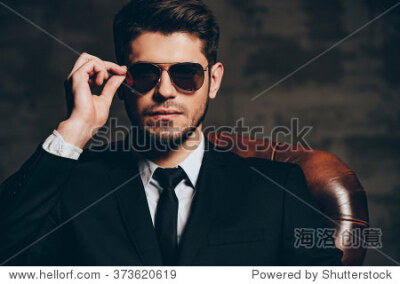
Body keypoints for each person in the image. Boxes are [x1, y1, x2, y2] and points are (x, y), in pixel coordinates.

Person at [0, 0, 343, 265]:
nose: (165, 91)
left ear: (214, 80)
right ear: (121, 81)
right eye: (146, 74)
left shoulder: (277, 189)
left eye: (186, 74)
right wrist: (75, 129)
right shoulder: (71, 187)